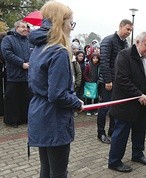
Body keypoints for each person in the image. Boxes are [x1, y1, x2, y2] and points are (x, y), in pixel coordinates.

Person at [27, 1, 84, 177]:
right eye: (70, 23)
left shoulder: (38, 47)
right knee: (58, 172)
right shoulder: (58, 51)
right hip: (54, 118)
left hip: (39, 112)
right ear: (61, 22)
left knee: (46, 168)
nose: (71, 28)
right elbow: (57, 94)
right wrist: (77, 102)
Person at [108, 31, 146, 173]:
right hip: (125, 104)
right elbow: (122, 79)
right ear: (137, 42)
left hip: (143, 103)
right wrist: (138, 94)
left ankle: (137, 154)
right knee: (121, 133)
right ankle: (114, 161)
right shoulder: (124, 55)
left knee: (140, 131)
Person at [97, 19, 133, 144]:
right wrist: (108, 80)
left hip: (118, 82)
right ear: (121, 26)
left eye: (131, 30)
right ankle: (100, 133)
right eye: (127, 29)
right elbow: (104, 62)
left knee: (115, 107)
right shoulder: (108, 40)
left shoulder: (125, 44)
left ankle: (112, 130)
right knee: (104, 107)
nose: (129, 32)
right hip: (108, 81)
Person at [1, 20, 32, 128]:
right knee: (13, 99)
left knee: (26, 98)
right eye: (23, 27)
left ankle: (25, 118)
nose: (25, 29)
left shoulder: (28, 40)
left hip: (27, 76)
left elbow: (33, 53)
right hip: (14, 75)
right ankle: (12, 120)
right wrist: (21, 64)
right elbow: (7, 54)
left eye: (26, 27)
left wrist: (31, 62)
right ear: (16, 28)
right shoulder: (8, 39)